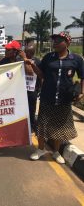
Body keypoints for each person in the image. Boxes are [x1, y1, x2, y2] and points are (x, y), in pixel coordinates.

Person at [24, 32, 84, 164]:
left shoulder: (76, 59)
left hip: (64, 99)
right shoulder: (48, 58)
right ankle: (40, 149)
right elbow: (42, 75)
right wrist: (33, 65)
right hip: (47, 97)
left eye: (58, 40)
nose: (55, 43)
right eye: (54, 40)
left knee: (59, 127)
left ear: (67, 43)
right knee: (42, 126)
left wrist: (81, 92)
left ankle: (56, 152)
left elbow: (82, 76)